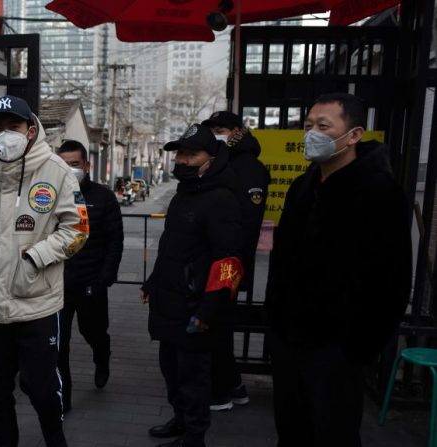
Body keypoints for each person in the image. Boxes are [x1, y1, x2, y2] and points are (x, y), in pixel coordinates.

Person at [266, 92, 411, 446]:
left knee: (334, 434)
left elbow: (392, 281)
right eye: (308, 125)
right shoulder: (302, 187)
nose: (311, 133)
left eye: (323, 126)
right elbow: (282, 262)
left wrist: (356, 347)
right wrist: (276, 326)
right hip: (290, 341)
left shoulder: (379, 192)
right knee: (291, 430)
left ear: (355, 135)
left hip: (337, 349)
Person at [0, 94, 89, 447]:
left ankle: (55, 438)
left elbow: (77, 230)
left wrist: (35, 257)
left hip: (36, 304)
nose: (6, 134)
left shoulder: (57, 172)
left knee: (40, 388)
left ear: (30, 129)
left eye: (14, 127)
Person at [142, 124, 243, 447]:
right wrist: (153, 281)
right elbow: (172, 246)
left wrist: (208, 309)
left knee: (193, 379)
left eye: (191, 154)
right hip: (169, 301)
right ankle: (180, 420)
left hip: (196, 308)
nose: (182, 161)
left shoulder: (222, 199)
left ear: (211, 159)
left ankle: (194, 437)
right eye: (180, 154)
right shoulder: (185, 193)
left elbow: (228, 262)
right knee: (172, 372)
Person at [201, 111, 271, 411]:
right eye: (212, 129)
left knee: (216, 325)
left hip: (229, 263)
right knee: (217, 325)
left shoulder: (249, 167)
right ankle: (233, 385)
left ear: (237, 131)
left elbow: (247, 223)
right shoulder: (223, 161)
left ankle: (220, 392)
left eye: (221, 128)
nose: (216, 133)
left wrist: (232, 269)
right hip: (213, 260)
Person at [55, 139, 124, 413]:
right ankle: (64, 398)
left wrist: (103, 279)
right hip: (57, 285)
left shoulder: (103, 197)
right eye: (63, 164)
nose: (69, 169)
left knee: (92, 331)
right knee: (59, 345)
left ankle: (102, 355)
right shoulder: (47, 194)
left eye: (74, 164)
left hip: (91, 284)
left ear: (86, 165)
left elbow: (114, 242)